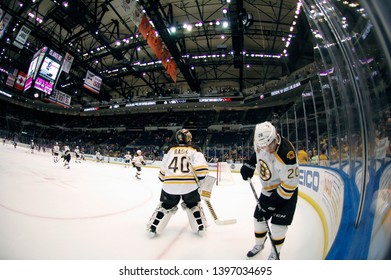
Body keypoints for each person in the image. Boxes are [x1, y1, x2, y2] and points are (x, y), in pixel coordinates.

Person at [240, 121, 299, 260]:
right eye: (263, 146)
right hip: (267, 189)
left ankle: (275, 253)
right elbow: (257, 154)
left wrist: (273, 202)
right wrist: (249, 164)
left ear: (275, 138)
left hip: (285, 193)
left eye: (269, 145)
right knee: (259, 220)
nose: (266, 149)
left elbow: (290, 184)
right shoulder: (261, 142)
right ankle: (259, 245)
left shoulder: (286, 154)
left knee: (278, 227)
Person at [147, 128, 209, 237]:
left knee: (165, 206)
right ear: (189, 137)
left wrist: (166, 178)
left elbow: (162, 174)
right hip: (189, 186)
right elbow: (201, 172)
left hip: (170, 186)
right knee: (194, 205)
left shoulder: (169, 150)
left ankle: (154, 227)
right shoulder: (195, 149)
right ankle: (200, 227)